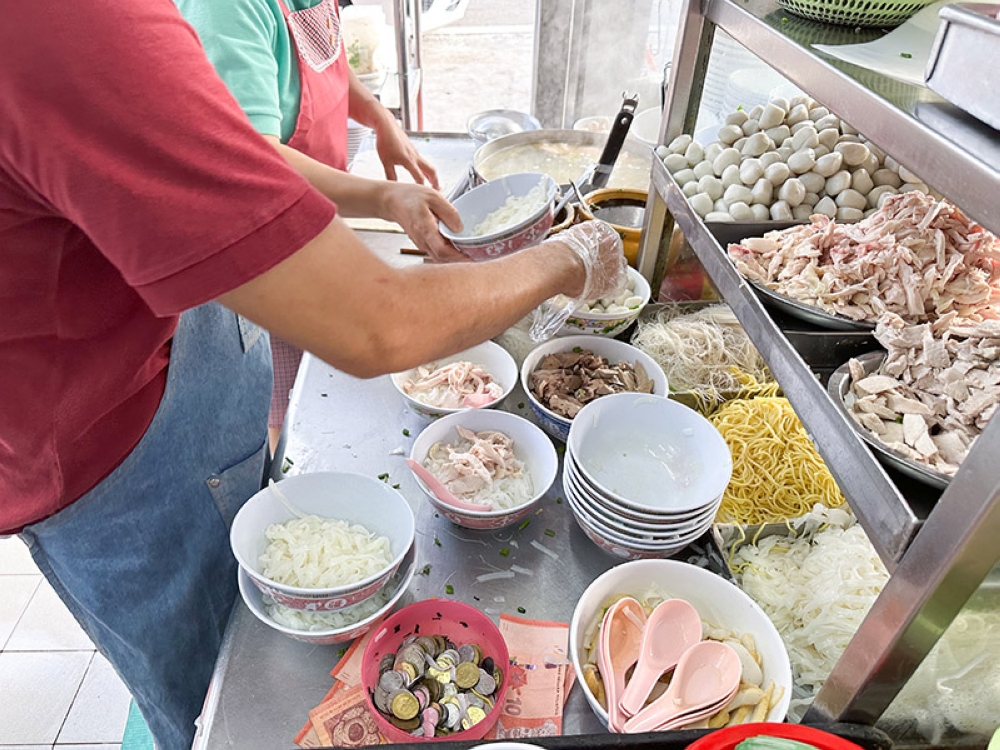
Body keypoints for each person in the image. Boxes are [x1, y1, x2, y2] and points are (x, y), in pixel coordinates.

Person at [0, 3, 625, 749]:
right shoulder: (62, 21)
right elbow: (375, 325)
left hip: (178, 354)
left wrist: (377, 194)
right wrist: (567, 259)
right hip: (109, 457)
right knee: (216, 694)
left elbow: (216, 146)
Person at [175, 0, 466, 447]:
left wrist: (377, 115)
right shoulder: (224, 9)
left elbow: (320, 52)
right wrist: (384, 197)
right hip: (256, 244)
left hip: (312, 218)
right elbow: (253, 155)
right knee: (282, 408)